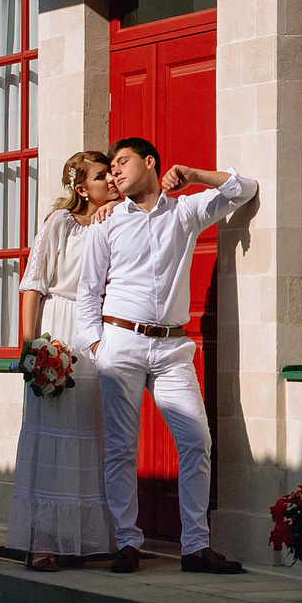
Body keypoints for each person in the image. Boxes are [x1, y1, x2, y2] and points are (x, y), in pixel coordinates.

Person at [73, 136, 257, 574]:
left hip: (173, 348)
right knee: (121, 448)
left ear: (150, 163)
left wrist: (192, 174)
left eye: (123, 162)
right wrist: (97, 347)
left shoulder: (185, 212)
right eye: (111, 167)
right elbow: (87, 292)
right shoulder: (107, 222)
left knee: (197, 441)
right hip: (121, 344)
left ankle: (195, 547)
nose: (115, 172)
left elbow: (243, 188)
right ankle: (127, 543)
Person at [6, 151, 119, 571]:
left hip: (95, 333)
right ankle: (45, 539)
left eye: (112, 173)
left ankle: (83, 540)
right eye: (101, 176)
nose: (110, 180)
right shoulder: (59, 224)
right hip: (59, 329)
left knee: (90, 432)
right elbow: (33, 286)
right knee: (53, 433)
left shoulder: (115, 219)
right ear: (79, 187)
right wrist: (30, 348)